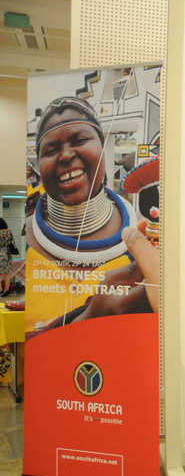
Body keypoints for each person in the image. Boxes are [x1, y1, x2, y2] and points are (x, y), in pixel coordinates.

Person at [25, 96, 157, 332]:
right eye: (51, 150)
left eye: (81, 140)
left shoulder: (147, 239)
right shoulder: (24, 241)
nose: (66, 155)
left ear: (102, 147)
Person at [0, 218, 15, 296]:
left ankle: (0, 289)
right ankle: (6, 290)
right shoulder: (9, 232)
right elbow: (12, 242)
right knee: (7, 273)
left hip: (0, 252)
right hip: (8, 253)